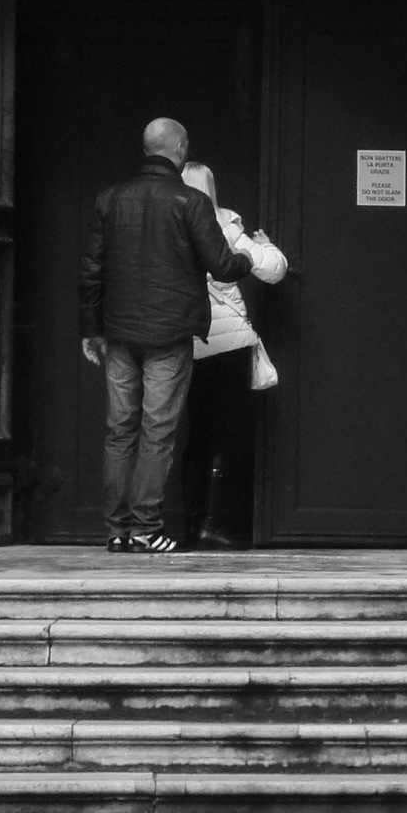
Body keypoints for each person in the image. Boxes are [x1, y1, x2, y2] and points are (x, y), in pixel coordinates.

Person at [78, 118, 255, 553]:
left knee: (119, 430)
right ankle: (145, 528)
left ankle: (117, 531)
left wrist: (90, 330)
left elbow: (91, 270)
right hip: (171, 333)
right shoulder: (189, 200)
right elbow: (221, 265)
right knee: (158, 430)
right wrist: (249, 257)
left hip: (119, 332)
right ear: (178, 149)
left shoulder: (110, 199)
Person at [178, 161, 287, 549]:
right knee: (229, 435)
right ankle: (217, 523)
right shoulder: (224, 225)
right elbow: (273, 271)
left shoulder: (168, 226)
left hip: (185, 344)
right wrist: (267, 244)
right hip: (229, 345)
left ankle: (188, 525)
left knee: (195, 434)